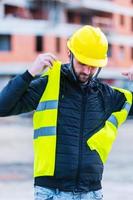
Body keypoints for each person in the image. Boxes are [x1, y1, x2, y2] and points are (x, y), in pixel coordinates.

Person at [0, 25, 133, 200]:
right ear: (70, 54)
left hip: (91, 193)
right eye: (82, 63)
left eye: (93, 66)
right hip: (51, 192)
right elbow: (3, 106)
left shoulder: (105, 95)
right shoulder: (48, 84)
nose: (87, 71)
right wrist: (29, 73)